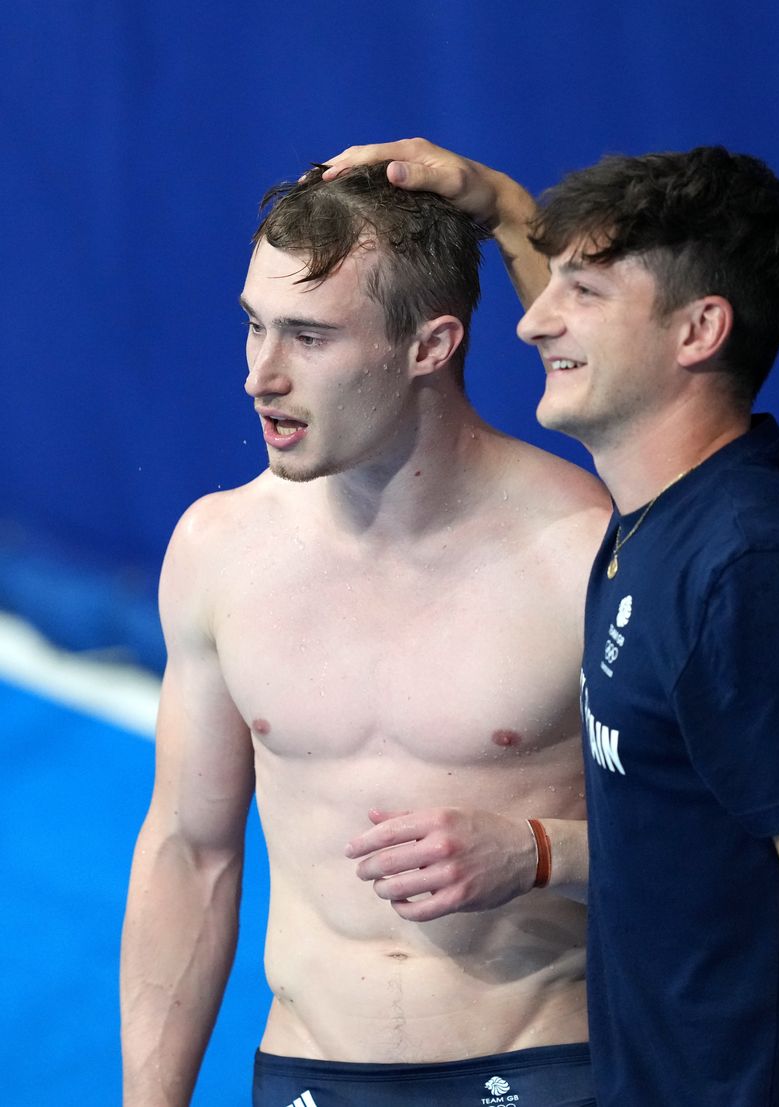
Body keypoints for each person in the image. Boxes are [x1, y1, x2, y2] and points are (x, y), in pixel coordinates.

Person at [320, 139, 779, 1106]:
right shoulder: (662, 510)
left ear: (699, 331)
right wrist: (498, 203)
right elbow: (710, 840)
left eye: (583, 292)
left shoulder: (756, 575)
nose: (534, 322)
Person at [120, 162, 610, 1106]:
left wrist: (542, 850)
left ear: (431, 345)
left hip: (547, 1066)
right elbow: (192, 848)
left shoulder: (581, 551)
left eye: (309, 335)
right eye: (255, 324)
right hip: (308, 1071)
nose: (260, 374)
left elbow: (720, 851)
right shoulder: (220, 547)